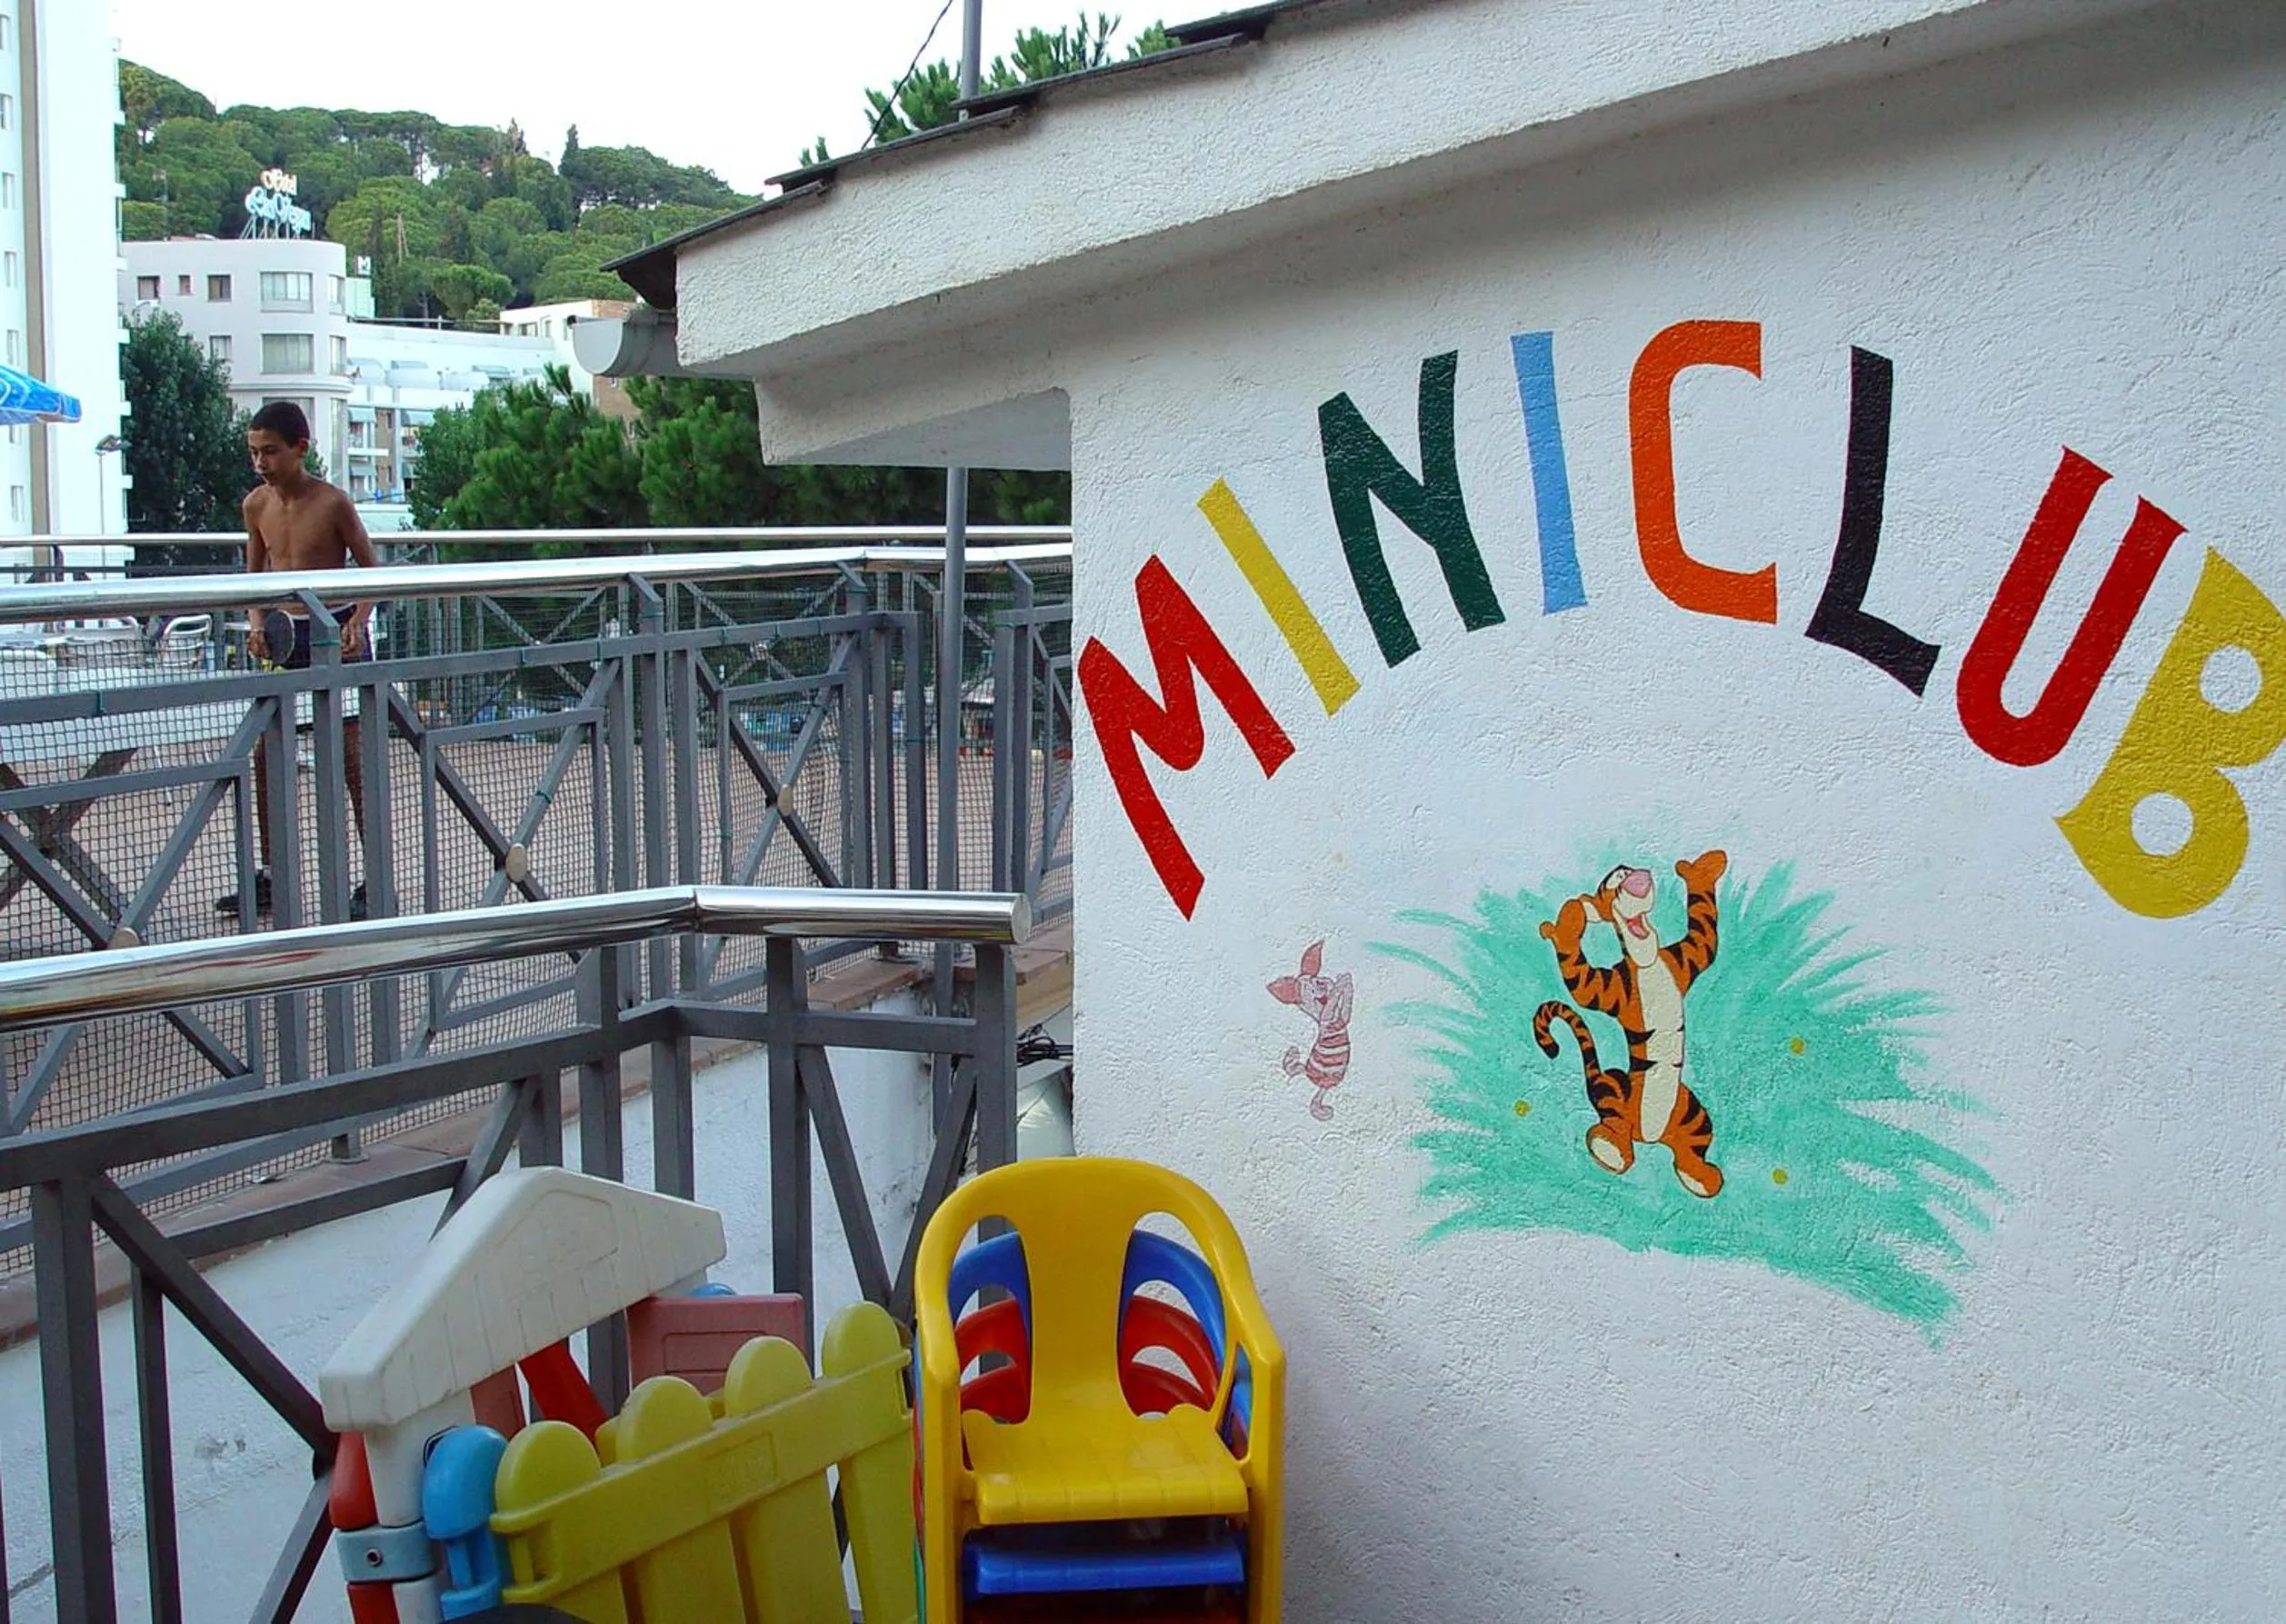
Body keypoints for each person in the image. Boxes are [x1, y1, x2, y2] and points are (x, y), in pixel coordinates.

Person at [215, 402, 380, 918]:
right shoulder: (255, 505)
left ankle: (374, 876)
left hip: (335, 631)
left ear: (299, 449)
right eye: (253, 452)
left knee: (353, 758)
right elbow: (255, 577)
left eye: (270, 452)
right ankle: (271, 875)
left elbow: (372, 571)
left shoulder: (333, 503)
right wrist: (256, 623)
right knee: (266, 757)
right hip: (284, 636)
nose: (260, 462)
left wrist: (358, 621)